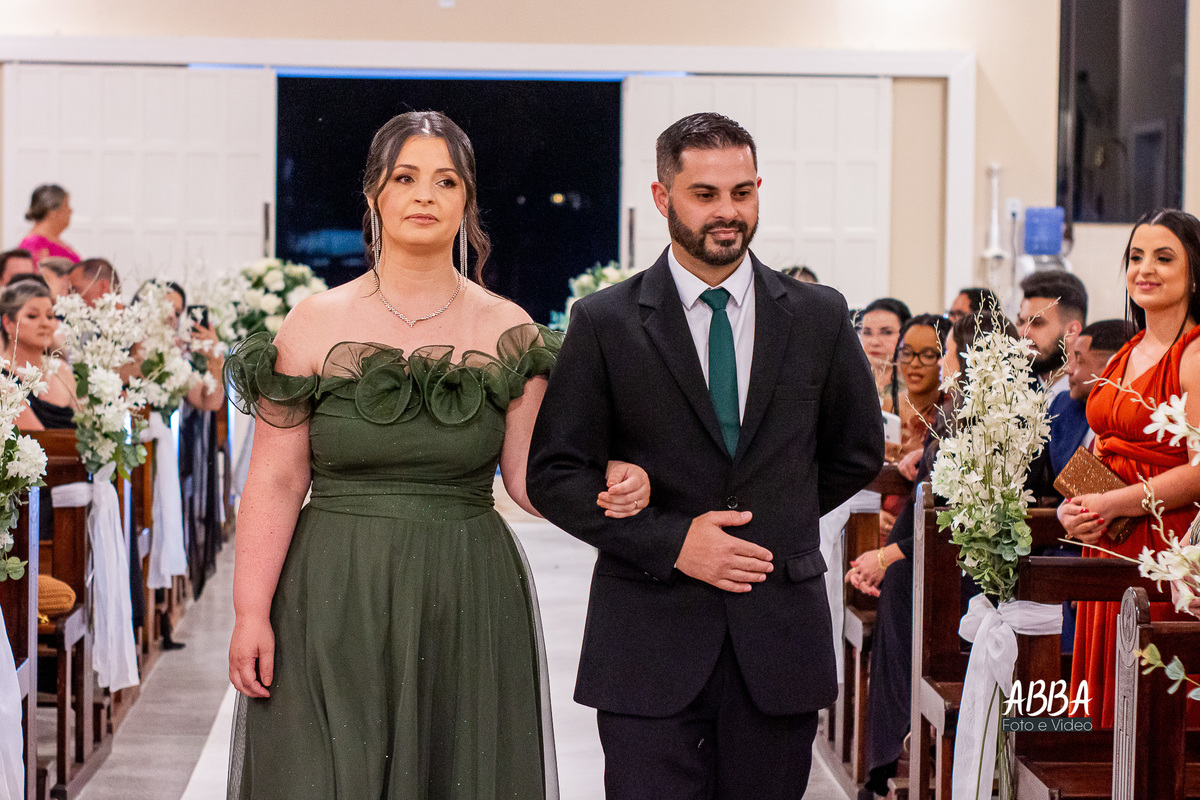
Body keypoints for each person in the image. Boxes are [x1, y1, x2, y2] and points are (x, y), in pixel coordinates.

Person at [225, 110, 649, 799]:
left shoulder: (508, 328)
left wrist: (609, 481)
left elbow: (529, 479)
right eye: (405, 178)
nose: (425, 195)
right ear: (374, 194)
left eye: (446, 181)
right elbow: (274, 479)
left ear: (466, 200)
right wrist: (250, 611)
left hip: (465, 591)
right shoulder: (314, 323)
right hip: (332, 590)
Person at [526, 112, 884, 800]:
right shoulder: (605, 321)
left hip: (776, 631)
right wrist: (673, 541)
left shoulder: (817, 315)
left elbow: (857, 449)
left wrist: (773, 515)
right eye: (705, 194)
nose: (728, 212)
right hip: (647, 638)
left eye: (742, 192)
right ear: (662, 198)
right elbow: (554, 474)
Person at [848, 310, 1020, 799]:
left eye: (947, 353)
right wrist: (919, 456)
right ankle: (893, 751)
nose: (943, 362)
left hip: (954, 566)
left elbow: (964, 516)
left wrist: (889, 557)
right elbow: (935, 482)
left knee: (906, 606)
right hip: (927, 553)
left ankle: (902, 749)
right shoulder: (956, 408)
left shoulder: (994, 418)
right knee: (901, 603)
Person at [1060, 208, 1200, 728]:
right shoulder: (1128, 351)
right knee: (1105, 705)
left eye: (1164, 258)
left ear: (1194, 273)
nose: (1146, 269)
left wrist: (1111, 503)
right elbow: (1104, 447)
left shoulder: (1195, 354)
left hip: (1168, 544)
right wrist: (1075, 511)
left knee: (1152, 711)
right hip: (1108, 538)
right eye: (1136, 257)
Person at [1047, 319, 1134, 477]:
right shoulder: (1063, 406)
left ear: (1112, 366)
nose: (1068, 369)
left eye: (1078, 360)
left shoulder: (1134, 422)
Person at [133, 279, 226, 411]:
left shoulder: (172, 359)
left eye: (177, 313)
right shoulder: (117, 347)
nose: (171, 316)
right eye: (166, 306)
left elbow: (210, 403)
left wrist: (215, 358)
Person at [0, 280, 77, 430]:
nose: (45, 323)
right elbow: (38, 436)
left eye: (50, 316)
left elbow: (84, 429)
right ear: (8, 323)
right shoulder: (3, 379)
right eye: (32, 316)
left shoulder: (62, 370)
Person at [1017, 270, 1088, 401]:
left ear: (1072, 331)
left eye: (1037, 323)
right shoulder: (1011, 390)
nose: (1023, 333)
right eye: (1021, 322)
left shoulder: (1089, 400)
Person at [858, 297, 911, 411]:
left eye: (887, 332)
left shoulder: (914, 384)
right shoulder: (851, 381)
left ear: (907, 334)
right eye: (867, 333)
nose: (874, 342)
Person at [18, 184, 81, 266]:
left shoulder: (53, 241)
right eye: (66, 205)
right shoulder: (34, 245)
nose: (71, 210)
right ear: (53, 212)